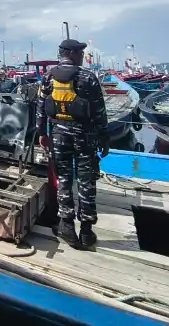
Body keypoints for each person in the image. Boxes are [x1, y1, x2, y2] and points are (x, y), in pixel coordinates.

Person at [35, 38, 109, 248]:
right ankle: (86, 231)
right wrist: (104, 137)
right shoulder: (88, 78)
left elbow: (40, 107)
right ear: (72, 54)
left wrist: (42, 132)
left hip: (58, 135)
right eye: (81, 54)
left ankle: (66, 226)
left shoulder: (48, 77)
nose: (83, 57)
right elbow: (99, 111)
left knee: (64, 178)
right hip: (85, 136)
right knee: (86, 181)